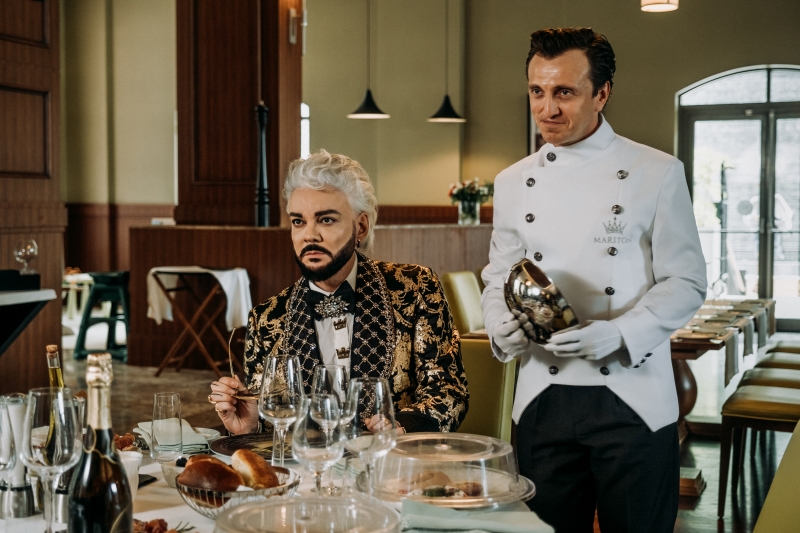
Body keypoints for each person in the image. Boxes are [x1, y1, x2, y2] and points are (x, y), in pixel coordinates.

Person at [481, 28, 707, 533]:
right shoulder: (513, 181)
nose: (547, 109)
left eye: (565, 92)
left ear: (602, 93)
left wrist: (621, 333)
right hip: (541, 398)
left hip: (631, 397)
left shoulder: (657, 172)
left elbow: (687, 280)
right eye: (537, 91)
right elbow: (500, 273)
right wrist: (499, 325)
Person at [209, 150, 468, 435]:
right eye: (298, 221)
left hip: (391, 460)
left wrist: (401, 428)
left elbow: (449, 393)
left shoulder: (415, 287)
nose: (309, 235)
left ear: (361, 226)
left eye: (326, 220)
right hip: (307, 462)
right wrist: (249, 427)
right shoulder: (266, 319)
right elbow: (273, 422)